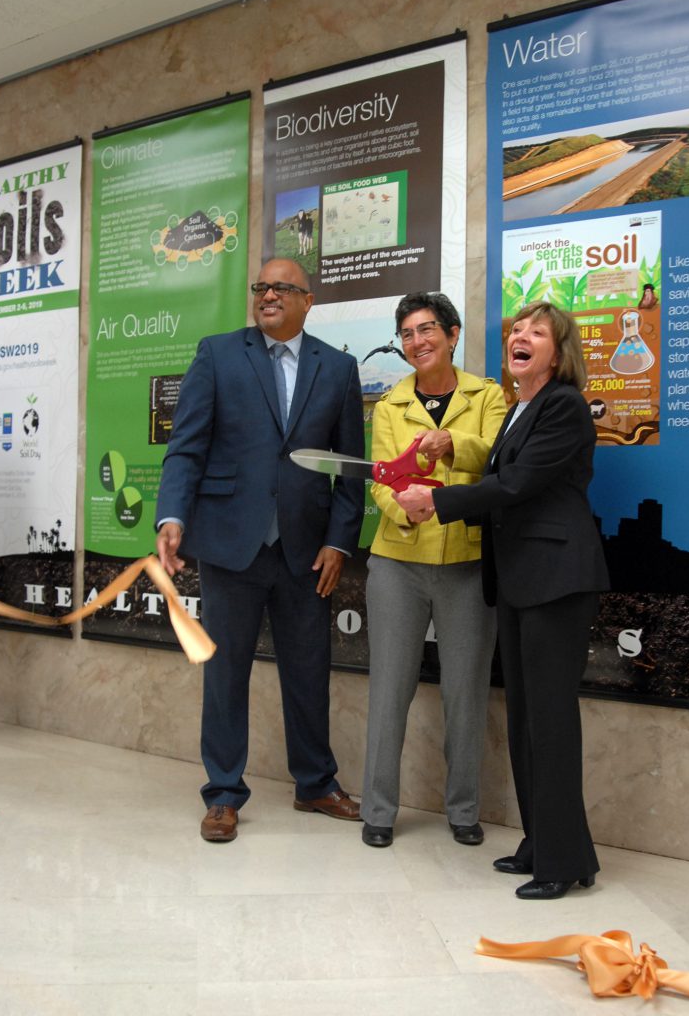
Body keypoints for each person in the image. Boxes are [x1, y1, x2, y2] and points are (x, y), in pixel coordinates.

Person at [394, 301, 609, 899]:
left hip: (556, 581)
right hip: (520, 581)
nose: (521, 336)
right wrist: (442, 452)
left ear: (558, 351)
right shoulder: (519, 409)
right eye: (516, 328)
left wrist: (435, 503)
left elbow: (514, 485)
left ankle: (562, 861)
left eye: (536, 332)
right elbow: (495, 468)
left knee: (550, 722)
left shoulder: (563, 405)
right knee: (525, 722)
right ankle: (547, 844)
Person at [156, 257, 365, 842]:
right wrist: (173, 514)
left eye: (282, 288)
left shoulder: (340, 367)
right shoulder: (219, 354)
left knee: (308, 672)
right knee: (224, 674)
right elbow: (186, 447)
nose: (268, 294)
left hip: (306, 552)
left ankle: (316, 783)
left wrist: (339, 542)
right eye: (261, 287)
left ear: (307, 300)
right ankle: (223, 794)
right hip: (230, 544)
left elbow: (350, 470)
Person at [360, 292, 507, 848]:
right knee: (389, 689)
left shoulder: (488, 396)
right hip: (397, 560)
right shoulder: (389, 405)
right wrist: (407, 508)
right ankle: (378, 810)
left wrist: (452, 444)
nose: (416, 342)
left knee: (465, 693)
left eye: (426, 330)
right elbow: (380, 479)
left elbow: (497, 462)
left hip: (467, 561)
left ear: (451, 334)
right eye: (406, 334)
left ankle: (463, 810)